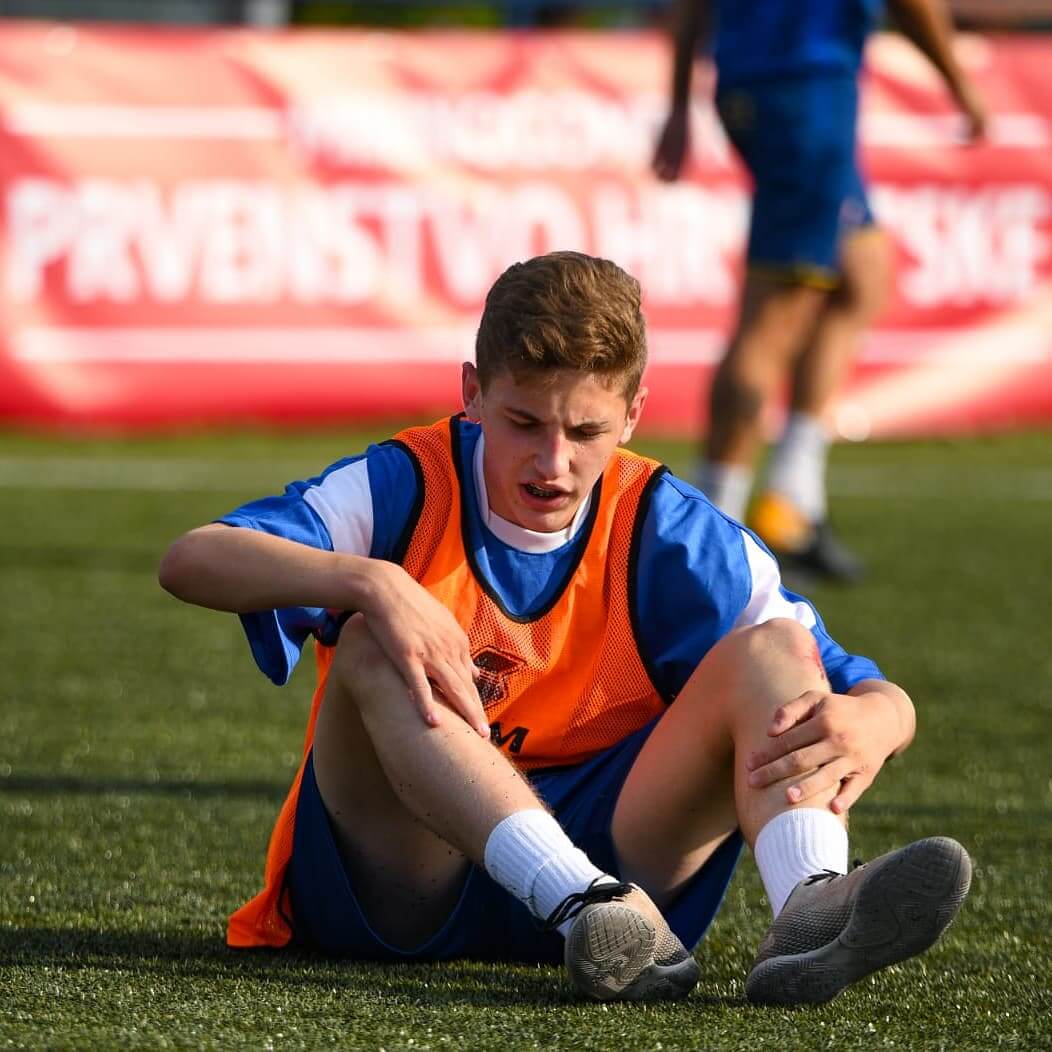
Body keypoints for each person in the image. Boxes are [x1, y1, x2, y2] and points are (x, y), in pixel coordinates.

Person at [159, 251, 970, 1004]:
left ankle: (811, 905)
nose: (553, 463)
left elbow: (838, 678)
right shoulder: (405, 482)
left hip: (628, 895)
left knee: (774, 652)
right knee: (375, 638)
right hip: (406, 880)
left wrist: (886, 716)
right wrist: (373, 581)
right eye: (524, 423)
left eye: (585, 432)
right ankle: (578, 899)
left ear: (633, 414)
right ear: (473, 392)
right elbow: (192, 559)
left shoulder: (668, 526)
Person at [653, 0, 988, 581]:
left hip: (757, 77)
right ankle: (707, 542)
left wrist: (680, 102)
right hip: (806, 83)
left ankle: (791, 503)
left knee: (862, 275)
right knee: (775, 313)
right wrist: (959, 81)